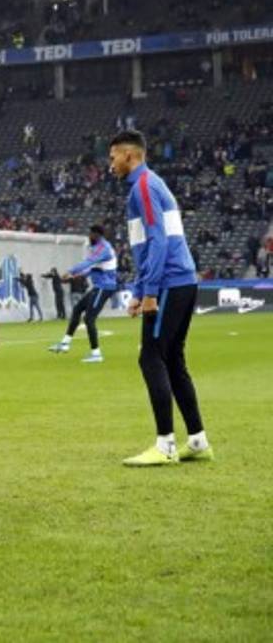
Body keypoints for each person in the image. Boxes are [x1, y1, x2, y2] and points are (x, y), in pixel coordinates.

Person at [108, 130, 212, 466]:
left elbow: (158, 240)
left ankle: (165, 444)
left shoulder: (143, 187)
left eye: (112, 157)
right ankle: (197, 441)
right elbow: (150, 243)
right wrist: (140, 291)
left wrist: (150, 291)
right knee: (172, 359)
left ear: (129, 155)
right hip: (178, 280)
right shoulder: (149, 185)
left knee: (150, 357)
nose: (110, 165)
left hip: (168, 283)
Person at [48, 225, 117, 362]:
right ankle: (65, 344)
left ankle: (96, 354)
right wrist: (74, 277)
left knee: (89, 319)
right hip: (99, 286)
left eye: (90, 234)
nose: (89, 237)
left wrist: (71, 271)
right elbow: (91, 269)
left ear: (97, 235)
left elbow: (88, 262)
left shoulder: (104, 248)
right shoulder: (98, 248)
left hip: (104, 287)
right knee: (77, 309)